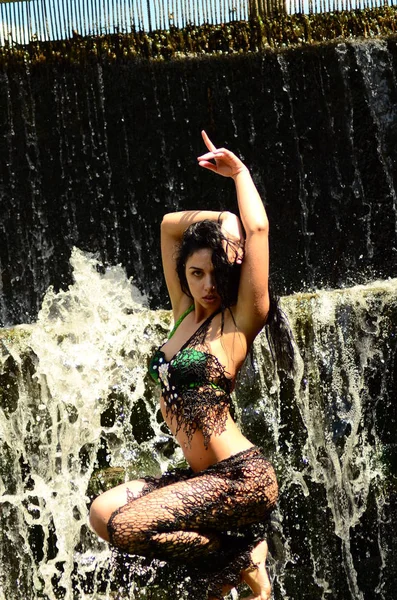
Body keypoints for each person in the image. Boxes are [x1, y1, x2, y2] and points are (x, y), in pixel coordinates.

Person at [89, 131, 280, 600]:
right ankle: (239, 554)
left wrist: (239, 176)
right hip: (199, 481)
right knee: (102, 512)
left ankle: (238, 559)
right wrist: (218, 222)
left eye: (218, 272)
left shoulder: (237, 322)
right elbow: (169, 225)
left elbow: (256, 232)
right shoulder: (182, 316)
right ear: (185, 276)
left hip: (239, 477)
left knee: (131, 525)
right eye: (196, 273)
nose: (207, 284)